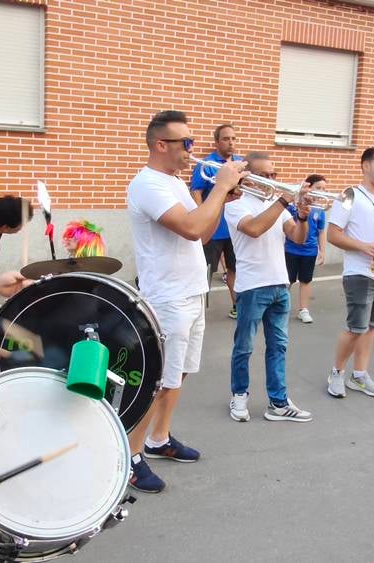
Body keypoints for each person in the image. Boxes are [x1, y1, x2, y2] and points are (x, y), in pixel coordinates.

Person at [126, 110, 246, 492]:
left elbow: (205, 234)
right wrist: (221, 187)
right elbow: (192, 227)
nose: (193, 151)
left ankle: (158, 439)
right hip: (167, 297)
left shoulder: (175, 183)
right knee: (157, 380)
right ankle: (129, 457)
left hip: (191, 291)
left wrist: (222, 198)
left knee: (178, 373)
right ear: (161, 144)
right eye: (186, 144)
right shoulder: (148, 185)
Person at [226, 152, 313, 423]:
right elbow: (253, 229)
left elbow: (297, 238)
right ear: (248, 177)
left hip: (279, 284)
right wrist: (284, 200)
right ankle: (239, 395)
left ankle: (278, 402)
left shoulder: (277, 206)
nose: (272, 180)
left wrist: (302, 216)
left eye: (273, 174)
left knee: (279, 347)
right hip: (252, 286)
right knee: (244, 346)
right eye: (265, 175)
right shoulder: (237, 205)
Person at [326, 147, 374, 399]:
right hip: (359, 272)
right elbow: (333, 234)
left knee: (370, 327)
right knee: (355, 327)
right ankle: (336, 373)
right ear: (365, 166)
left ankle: (359, 375)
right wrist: (363, 246)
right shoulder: (349, 195)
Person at [191, 124, 242, 319]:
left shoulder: (240, 163)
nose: (231, 142)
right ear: (216, 142)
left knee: (234, 269)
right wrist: (201, 218)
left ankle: (237, 305)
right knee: (206, 271)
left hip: (235, 228)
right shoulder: (207, 164)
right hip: (213, 228)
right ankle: (198, 310)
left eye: (234, 139)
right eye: (226, 139)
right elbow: (196, 191)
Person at [285, 173, 327, 324]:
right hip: (291, 249)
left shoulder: (320, 210)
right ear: (308, 187)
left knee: (306, 280)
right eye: (318, 188)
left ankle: (303, 310)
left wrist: (322, 251)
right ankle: (280, 307)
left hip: (309, 251)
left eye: (324, 189)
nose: (321, 191)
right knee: (287, 280)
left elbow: (321, 231)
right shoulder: (294, 205)